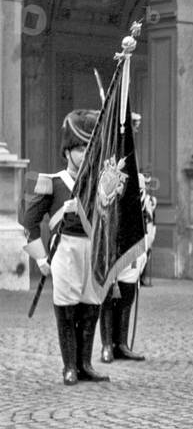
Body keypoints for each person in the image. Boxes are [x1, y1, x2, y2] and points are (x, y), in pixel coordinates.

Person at [20, 109, 109, 386]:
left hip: (92, 249)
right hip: (65, 249)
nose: (84, 154)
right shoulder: (53, 182)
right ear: (67, 151)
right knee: (67, 307)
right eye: (79, 149)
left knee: (91, 306)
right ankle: (69, 366)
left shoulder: (98, 184)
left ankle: (85, 364)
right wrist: (40, 259)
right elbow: (29, 222)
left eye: (88, 149)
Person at [99, 112, 157, 364]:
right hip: (110, 240)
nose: (134, 130)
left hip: (132, 239)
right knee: (108, 294)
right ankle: (106, 345)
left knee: (127, 291)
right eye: (131, 126)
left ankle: (120, 343)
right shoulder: (106, 166)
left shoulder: (136, 173)